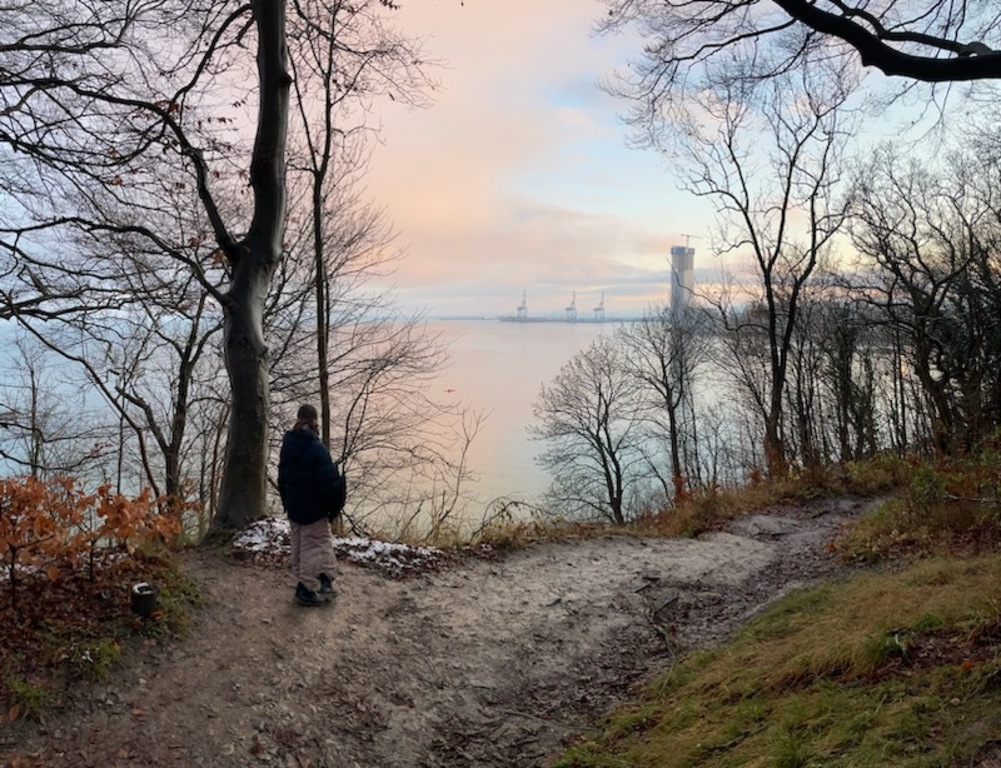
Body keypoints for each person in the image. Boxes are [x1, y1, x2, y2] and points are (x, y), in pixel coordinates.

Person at [277, 404, 346, 607]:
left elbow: (282, 476)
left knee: (302, 544)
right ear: (315, 421)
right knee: (316, 544)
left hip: (295, 506)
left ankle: (324, 579)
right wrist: (333, 507)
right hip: (313, 508)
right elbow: (329, 483)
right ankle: (305, 589)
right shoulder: (316, 447)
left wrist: (287, 502)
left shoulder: (288, 445)